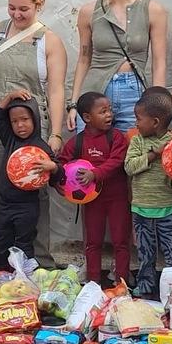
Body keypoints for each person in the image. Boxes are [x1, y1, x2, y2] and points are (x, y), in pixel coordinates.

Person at [0, 0, 69, 265]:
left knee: (34, 189)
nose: (16, 14)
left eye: (24, 8)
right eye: (11, 7)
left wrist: (55, 132)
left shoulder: (50, 40)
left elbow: (55, 89)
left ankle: (38, 261)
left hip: (31, 122)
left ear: (40, 5)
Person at [72, 0, 168, 133]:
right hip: (94, 93)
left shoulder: (153, 10)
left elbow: (159, 62)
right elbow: (84, 60)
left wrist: (158, 105)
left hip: (134, 96)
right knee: (92, 157)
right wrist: (74, 103)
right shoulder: (89, 11)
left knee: (133, 156)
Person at [56, 92, 130, 283]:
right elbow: (60, 165)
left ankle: (122, 281)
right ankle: (93, 282)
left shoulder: (116, 137)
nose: (109, 115)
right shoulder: (77, 142)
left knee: (121, 241)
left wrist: (94, 174)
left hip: (117, 198)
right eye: (103, 111)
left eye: (110, 110)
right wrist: (57, 183)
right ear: (87, 118)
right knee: (93, 242)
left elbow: (116, 161)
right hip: (92, 202)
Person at [124, 88, 172, 298]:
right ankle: (146, 286)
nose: (136, 123)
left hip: (171, 210)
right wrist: (154, 154)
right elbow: (130, 167)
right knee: (145, 254)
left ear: (156, 122)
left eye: (139, 119)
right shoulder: (137, 141)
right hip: (142, 210)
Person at [0, 89, 60, 272]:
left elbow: (59, 174)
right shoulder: (10, 140)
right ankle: (1, 274)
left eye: (25, 119)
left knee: (24, 242)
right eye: (14, 121)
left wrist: (52, 167)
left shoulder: (41, 147)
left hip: (27, 206)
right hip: (5, 204)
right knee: (1, 241)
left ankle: (24, 276)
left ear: (35, 119)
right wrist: (10, 97)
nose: (20, 125)